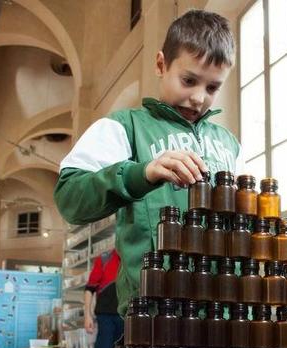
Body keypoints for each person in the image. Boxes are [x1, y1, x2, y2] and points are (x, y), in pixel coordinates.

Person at [55, 9, 244, 316]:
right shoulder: (123, 127)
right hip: (154, 312)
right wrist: (140, 174)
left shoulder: (229, 144)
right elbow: (69, 198)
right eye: (189, 80)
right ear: (161, 64)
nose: (198, 98)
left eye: (212, 88)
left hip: (225, 313)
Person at [84, 248, 123, 348]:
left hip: (129, 316)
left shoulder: (138, 256)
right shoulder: (105, 258)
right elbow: (89, 288)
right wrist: (87, 315)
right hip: (106, 316)